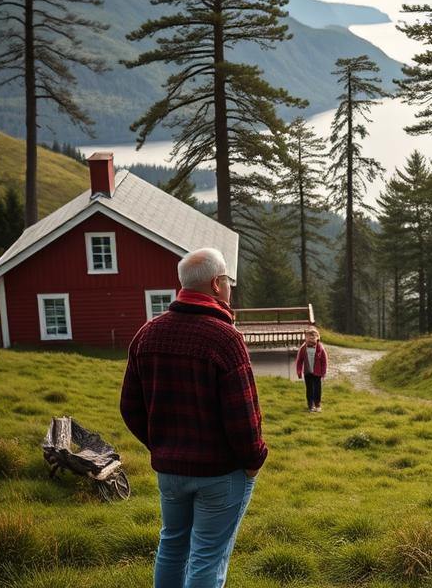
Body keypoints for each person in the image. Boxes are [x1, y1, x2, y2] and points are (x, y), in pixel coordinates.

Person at [120, 247, 267, 588]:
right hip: (221, 472)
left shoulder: (148, 333)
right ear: (217, 284)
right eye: (228, 280)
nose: (230, 287)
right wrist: (254, 460)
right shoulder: (225, 339)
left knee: (171, 547)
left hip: (170, 471)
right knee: (207, 556)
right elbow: (242, 415)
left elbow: (130, 407)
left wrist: (162, 446)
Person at [295, 326, 328, 412]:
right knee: (309, 389)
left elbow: (324, 361)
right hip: (307, 372)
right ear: (306, 338)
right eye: (309, 337)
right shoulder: (303, 348)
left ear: (317, 338)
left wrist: (323, 372)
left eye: (313, 337)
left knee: (317, 389)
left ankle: (317, 404)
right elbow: (299, 361)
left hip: (317, 373)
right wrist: (299, 372)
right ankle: (310, 405)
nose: (311, 339)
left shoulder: (320, 348)